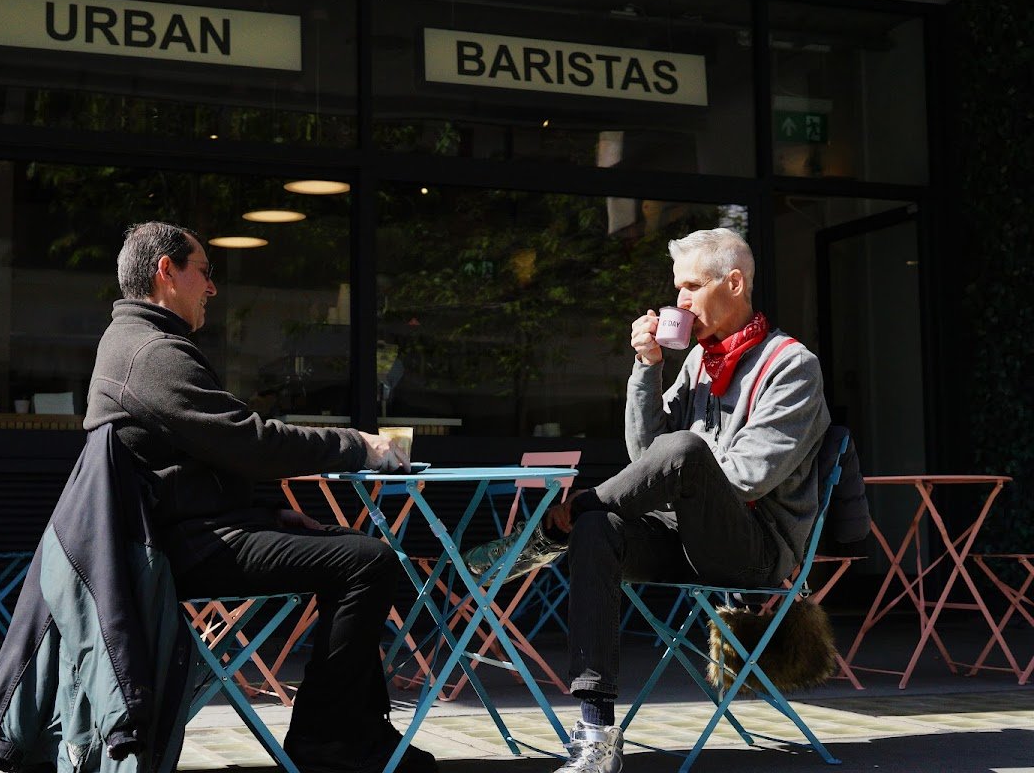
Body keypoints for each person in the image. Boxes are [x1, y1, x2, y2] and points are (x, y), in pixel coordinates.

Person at [466, 228, 830, 773]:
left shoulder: (791, 366)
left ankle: (553, 531)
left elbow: (743, 480)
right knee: (599, 531)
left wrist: (659, 473)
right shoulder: (696, 363)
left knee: (678, 451)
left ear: (733, 283)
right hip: (680, 536)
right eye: (676, 290)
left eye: (689, 287)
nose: (678, 302)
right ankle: (595, 732)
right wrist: (647, 366)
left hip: (752, 549)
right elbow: (643, 457)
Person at [83, 221, 437, 773]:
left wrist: (268, 513)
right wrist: (358, 446)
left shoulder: (138, 344)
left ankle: (362, 733)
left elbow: (203, 460)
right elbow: (252, 443)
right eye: (204, 271)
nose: (212, 288)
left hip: (187, 531)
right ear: (166, 272)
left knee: (351, 549)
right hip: (179, 549)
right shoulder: (151, 353)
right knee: (367, 562)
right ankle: (328, 740)